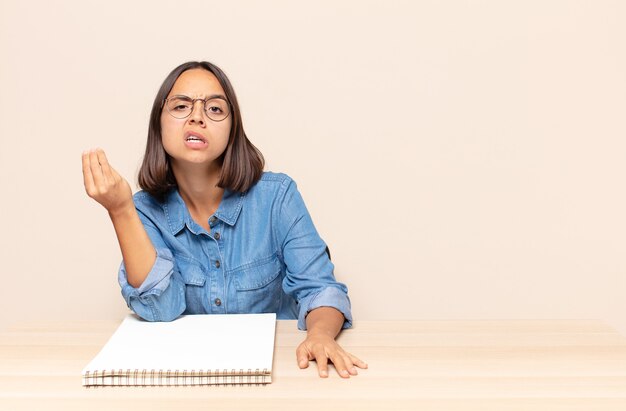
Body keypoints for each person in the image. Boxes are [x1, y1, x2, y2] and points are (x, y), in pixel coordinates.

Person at [81, 61, 367, 378]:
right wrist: (120, 210)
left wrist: (320, 336)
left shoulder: (278, 197)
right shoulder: (144, 210)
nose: (197, 117)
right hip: (185, 381)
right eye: (181, 106)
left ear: (232, 130)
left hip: (277, 378)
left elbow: (319, 289)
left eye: (215, 109)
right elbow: (161, 310)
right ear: (158, 124)